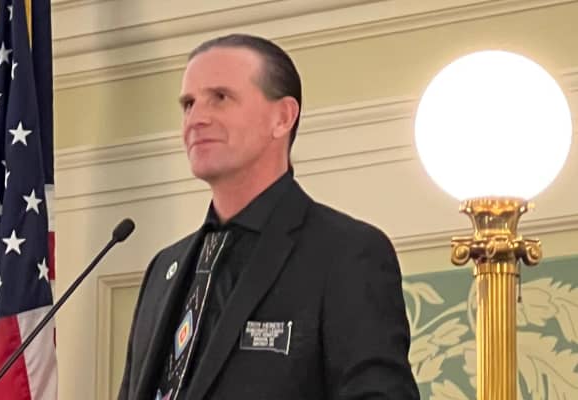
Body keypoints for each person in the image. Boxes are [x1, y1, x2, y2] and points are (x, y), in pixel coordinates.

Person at [117, 34, 419, 400]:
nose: (196, 119)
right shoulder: (163, 269)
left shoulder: (346, 253)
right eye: (188, 104)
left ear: (283, 117)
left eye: (220, 97)